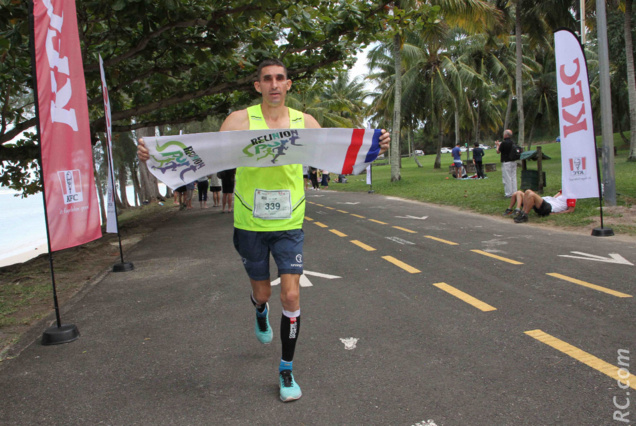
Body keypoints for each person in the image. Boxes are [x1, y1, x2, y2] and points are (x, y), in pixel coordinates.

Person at [138, 58, 390, 402]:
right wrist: (155, 156)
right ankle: (259, 310)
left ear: (288, 85)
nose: (274, 84)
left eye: (280, 79)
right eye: (267, 79)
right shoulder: (239, 121)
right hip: (249, 221)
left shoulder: (306, 123)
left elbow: (336, 154)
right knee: (265, 294)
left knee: (290, 295)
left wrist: (373, 147)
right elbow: (206, 157)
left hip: (290, 222)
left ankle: (286, 370)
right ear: (258, 86)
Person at [495, 129, 517, 197]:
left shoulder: (504, 143)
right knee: (513, 177)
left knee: (507, 178)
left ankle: (508, 193)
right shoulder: (513, 142)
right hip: (513, 161)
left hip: (506, 161)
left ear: (506, 135)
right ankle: (514, 192)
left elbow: (498, 151)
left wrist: (497, 145)